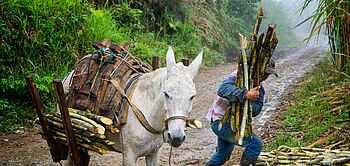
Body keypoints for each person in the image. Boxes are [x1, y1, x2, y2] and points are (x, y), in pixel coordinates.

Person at [205, 59, 278, 166]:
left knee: (223, 155)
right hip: (221, 121)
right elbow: (222, 90)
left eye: (268, 73)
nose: (266, 76)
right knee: (255, 144)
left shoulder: (261, 86)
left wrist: (248, 103)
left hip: (234, 122)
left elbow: (257, 109)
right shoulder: (239, 76)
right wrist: (245, 94)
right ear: (257, 69)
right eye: (264, 72)